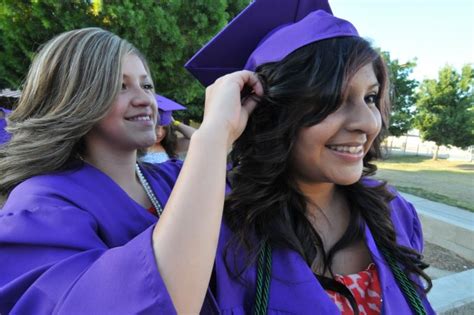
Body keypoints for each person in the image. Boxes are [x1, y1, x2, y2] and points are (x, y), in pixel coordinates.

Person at [185, 0, 434, 314]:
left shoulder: (394, 212)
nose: (369, 122)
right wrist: (214, 135)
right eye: (332, 100)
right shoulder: (217, 228)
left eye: (370, 97)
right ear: (273, 114)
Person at [0, 27, 263, 314]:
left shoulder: (173, 178)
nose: (144, 100)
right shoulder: (39, 207)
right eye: (120, 86)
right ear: (73, 98)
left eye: (146, 85)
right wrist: (212, 136)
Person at [142, 94, 196, 164]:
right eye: (155, 127)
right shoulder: (132, 147)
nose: (159, 133)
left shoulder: (169, 146)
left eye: (164, 128)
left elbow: (198, 138)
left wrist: (175, 123)